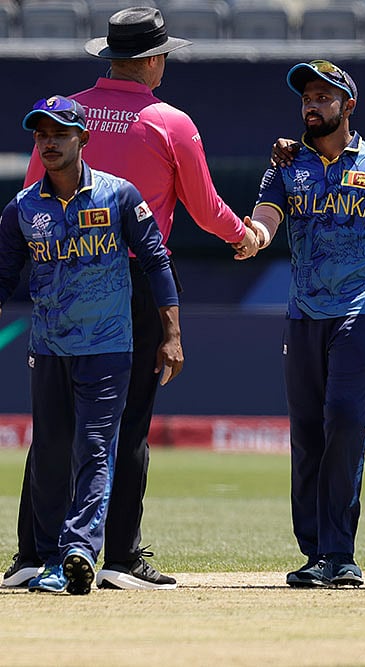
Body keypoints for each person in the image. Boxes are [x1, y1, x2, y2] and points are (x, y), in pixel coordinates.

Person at [2, 6, 260, 591]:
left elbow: (26, 205)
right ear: (149, 61)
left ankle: (30, 554)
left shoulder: (64, 115)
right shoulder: (170, 122)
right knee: (125, 422)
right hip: (135, 280)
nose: (165, 64)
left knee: (52, 424)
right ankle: (116, 554)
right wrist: (243, 236)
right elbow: (204, 205)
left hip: (61, 273)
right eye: (164, 55)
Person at [245, 59, 365, 588]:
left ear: (349, 104)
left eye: (324, 97)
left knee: (344, 418)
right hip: (303, 315)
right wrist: (249, 236)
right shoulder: (287, 164)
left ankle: (339, 553)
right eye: (306, 98)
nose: (312, 105)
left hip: (361, 312)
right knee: (306, 432)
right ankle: (316, 549)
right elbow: (267, 219)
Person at [0, 96, 182, 594]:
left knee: (96, 448)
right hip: (50, 347)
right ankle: (51, 557)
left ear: (84, 138)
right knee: (52, 452)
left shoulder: (120, 196)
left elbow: (156, 263)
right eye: (41, 135)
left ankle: (78, 547)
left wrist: (171, 334)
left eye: (59, 133)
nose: (49, 143)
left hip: (108, 347)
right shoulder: (22, 208)